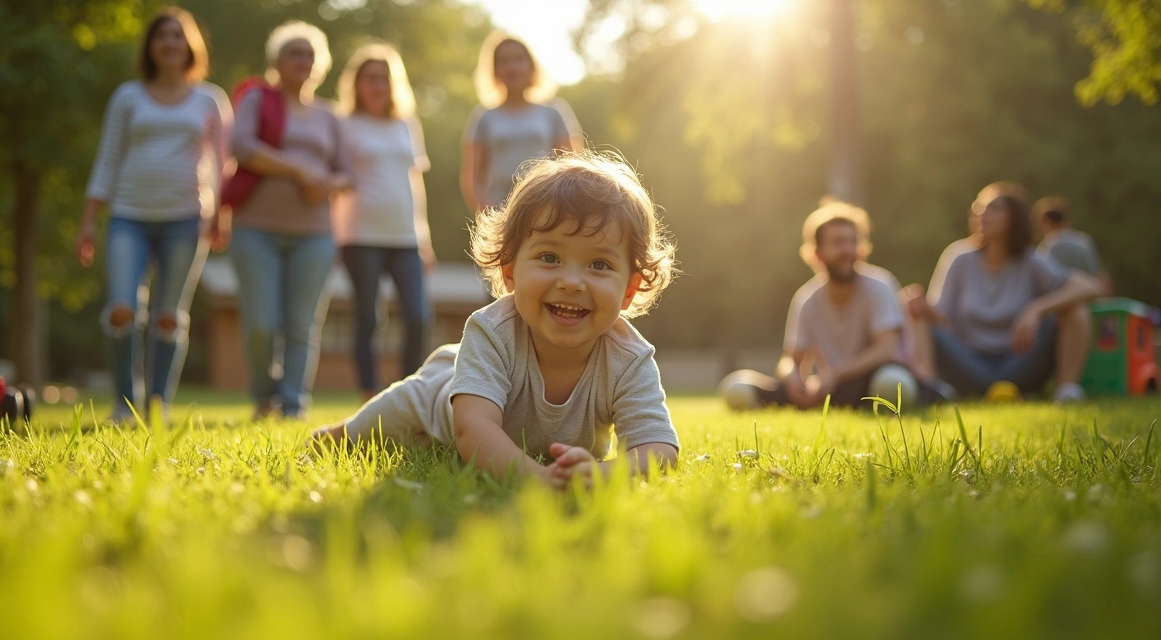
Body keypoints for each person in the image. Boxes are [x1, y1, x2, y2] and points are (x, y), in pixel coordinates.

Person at [313, 152, 679, 490]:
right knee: (364, 433)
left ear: (629, 290)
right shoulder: (493, 331)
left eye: (599, 265)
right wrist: (536, 478)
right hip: (435, 395)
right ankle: (332, 433)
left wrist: (602, 473)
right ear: (510, 272)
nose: (571, 281)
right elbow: (473, 428)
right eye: (550, 257)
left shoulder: (629, 358)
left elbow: (660, 449)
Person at [77, 7, 231, 422]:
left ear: (190, 46)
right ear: (151, 45)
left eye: (177, 36)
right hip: (128, 216)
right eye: (162, 36)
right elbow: (108, 159)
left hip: (186, 218)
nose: (169, 43)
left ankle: (158, 405)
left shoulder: (211, 99)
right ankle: (125, 404)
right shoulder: (128, 96)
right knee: (122, 308)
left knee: (168, 315)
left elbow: (221, 164)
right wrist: (89, 220)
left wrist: (221, 216)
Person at [229, 21, 352, 420]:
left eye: (309, 54)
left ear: (320, 65)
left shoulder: (330, 114)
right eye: (294, 53)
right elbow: (242, 147)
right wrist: (299, 171)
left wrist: (327, 183)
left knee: (302, 324)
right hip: (255, 228)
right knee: (261, 323)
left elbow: (347, 172)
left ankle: (294, 405)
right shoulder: (257, 100)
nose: (302, 60)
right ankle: (264, 396)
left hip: (314, 234)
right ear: (276, 62)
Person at [906, 182, 1102, 402]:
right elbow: (942, 318)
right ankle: (932, 391)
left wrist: (1037, 309)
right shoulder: (959, 257)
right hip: (970, 365)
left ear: (1013, 217)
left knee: (1075, 310)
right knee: (916, 315)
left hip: (1020, 364)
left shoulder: (1031, 260)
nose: (982, 215)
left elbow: (1091, 286)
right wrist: (921, 306)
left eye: (992, 208)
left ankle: (1066, 392)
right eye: (978, 209)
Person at [720, 200, 920, 410]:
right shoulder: (806, 299)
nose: (848, 249)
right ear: (817, 253)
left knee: (891, 384)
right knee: (736, 388)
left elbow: (887, 350)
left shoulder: (880, 286)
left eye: (852, 241)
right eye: (838, 242)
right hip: (826, 387)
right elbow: (790, 359)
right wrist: (793, 378)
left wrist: (836, 374)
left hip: (868, 381)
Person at [332, 44, 434, 400]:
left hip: (405, 236)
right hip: (359, 234)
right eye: (370, 78)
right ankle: (369, 394)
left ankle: (407, 394)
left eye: (384, 78)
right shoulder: (344, 123)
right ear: (357, 84)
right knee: (369, 317)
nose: (377, 85)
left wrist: (424, 239)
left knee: (418, 316)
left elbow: (414, 181)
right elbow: (336, 181)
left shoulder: (407, 124)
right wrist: (332, 236)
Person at [460, 31, 583, 214]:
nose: (512, 67)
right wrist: (489, 219)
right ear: (495, 70)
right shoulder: (483, 117)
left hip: (548, 211)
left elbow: (573, 169)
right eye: (504, 61)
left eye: (519, 59)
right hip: (501, 214)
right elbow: (472, 179)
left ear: (531, 66)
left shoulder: (554, 111)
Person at [1034, 196, 1112, 295]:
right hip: (1092, 296)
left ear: (1046, 222)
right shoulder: (1084, 239)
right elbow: (1100, 273)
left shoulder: (1049, 245)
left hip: (1068, 300)